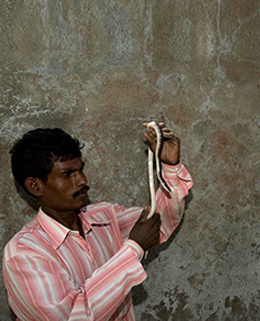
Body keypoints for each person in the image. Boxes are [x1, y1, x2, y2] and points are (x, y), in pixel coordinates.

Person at [2, 123, 192, 321]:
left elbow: (159, 222)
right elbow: (72, 316)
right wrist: (134, 248)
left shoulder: (104, 216)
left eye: (80, 170)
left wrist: (170, 167)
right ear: (35, 186)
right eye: (67, 174)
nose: (82, 180)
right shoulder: (24, 253)